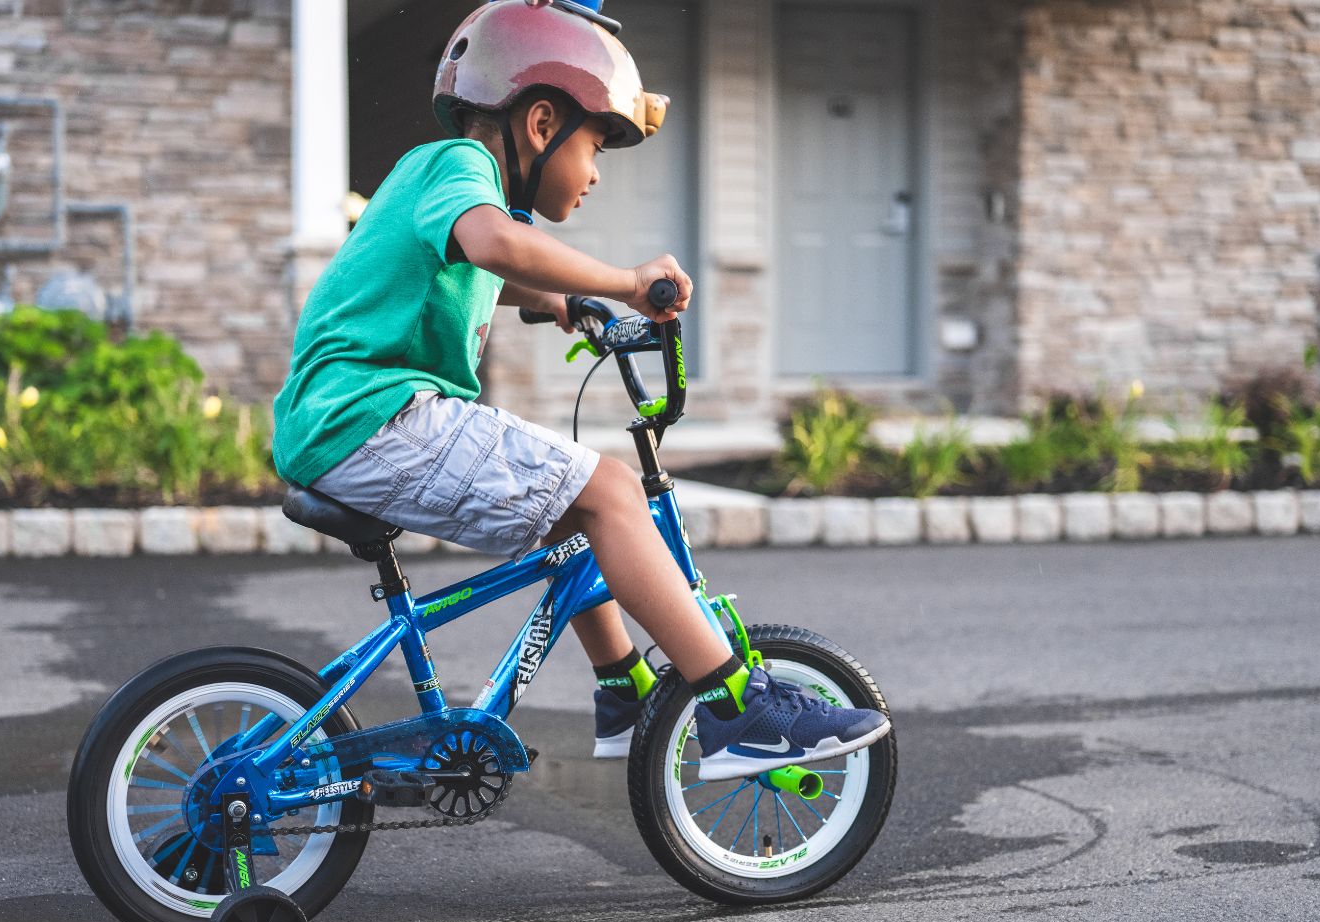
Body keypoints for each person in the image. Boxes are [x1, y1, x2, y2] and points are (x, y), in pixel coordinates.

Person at [272, 0, 889, 780]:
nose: (595, 173)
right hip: (368, 421)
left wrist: (564, 304)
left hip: (349, 422)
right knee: (609, 491)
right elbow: (496, 245)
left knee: (573, 503)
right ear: (539, 124)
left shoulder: (442, 182)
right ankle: (740, 709)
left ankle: (623, 689)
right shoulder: (460, 170)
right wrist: (628, 283)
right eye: (595, 145)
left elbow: (470, 266)